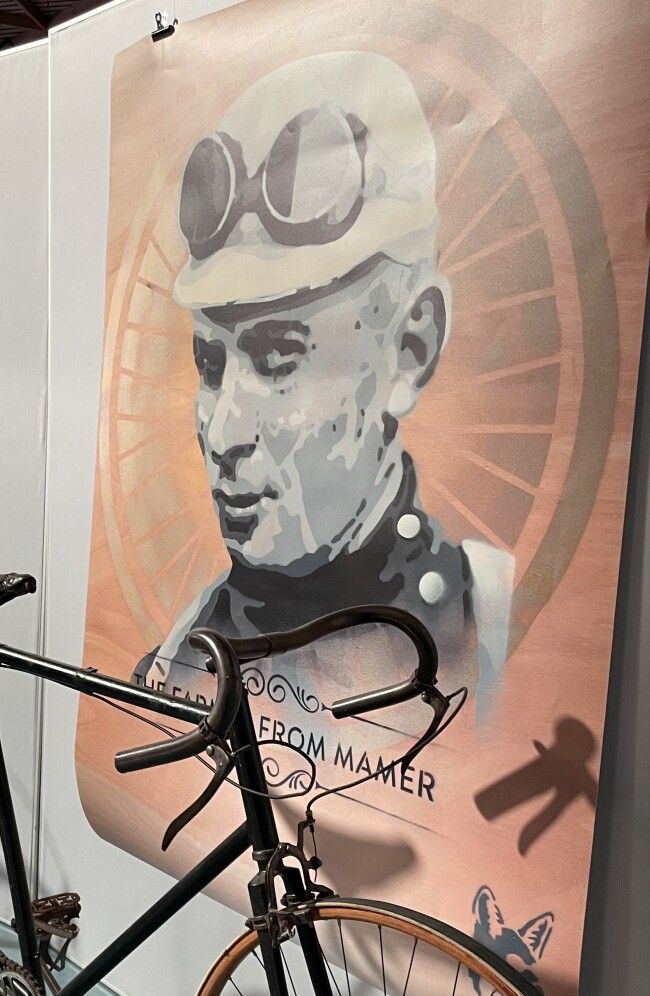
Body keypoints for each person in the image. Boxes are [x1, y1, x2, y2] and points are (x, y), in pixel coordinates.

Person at [135, 51, 514, 718]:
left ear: (411, 348)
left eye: (278, 360)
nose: (222, 433)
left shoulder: (499, 624)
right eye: (210, 366)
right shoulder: (176, 654)